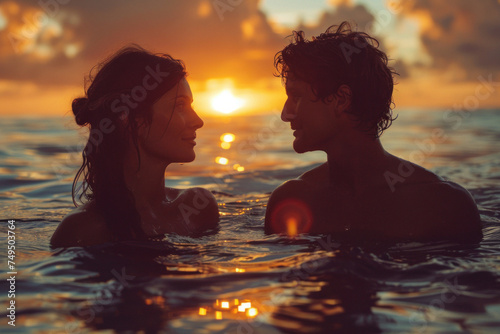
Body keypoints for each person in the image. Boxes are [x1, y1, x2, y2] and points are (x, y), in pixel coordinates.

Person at [265, 22, 482, 243]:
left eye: (296, 96)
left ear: (341, 99)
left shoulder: (444, 204)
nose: (285, 114)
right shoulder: (290, 200)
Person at [51, 46, 219, 247]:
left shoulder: (197, 208)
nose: (198, 121)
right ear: (132, 120)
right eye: (179, 106)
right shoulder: (84, 231)